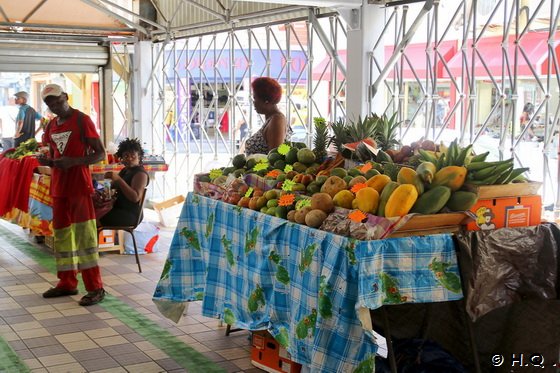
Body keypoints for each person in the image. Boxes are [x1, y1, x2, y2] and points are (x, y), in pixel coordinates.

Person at [37, 83, 107, 306]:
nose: (55, 106)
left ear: (66, 96)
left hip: (79, 188)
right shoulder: (50, 126)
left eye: (58, 100)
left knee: (85, 238)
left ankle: (95, 288)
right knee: (63, 237)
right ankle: (67, 282)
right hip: (59, 189)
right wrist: (47, 161)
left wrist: (74, 162)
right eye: (50, 103)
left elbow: (100, 154)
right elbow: (52, 152)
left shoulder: (82, 120)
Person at [99, 138, 149, 227]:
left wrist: (118, 179)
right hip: (119, 209)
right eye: (126, 156)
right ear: (121, 158)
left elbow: (135, 197)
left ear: (139, 157)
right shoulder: (125, 170)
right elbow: (114, 186)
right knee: (91, 213)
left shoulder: (140, 174)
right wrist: (107, 187)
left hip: (130, 215)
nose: (129, 158)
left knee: (92, 218)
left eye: (133, 155)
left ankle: (91, 240)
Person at [244, 77, 290, 155]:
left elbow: (274, 158)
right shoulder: (272, 119)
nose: (254, 103)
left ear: (266, 100)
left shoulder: (277, 120)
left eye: (255, 98)